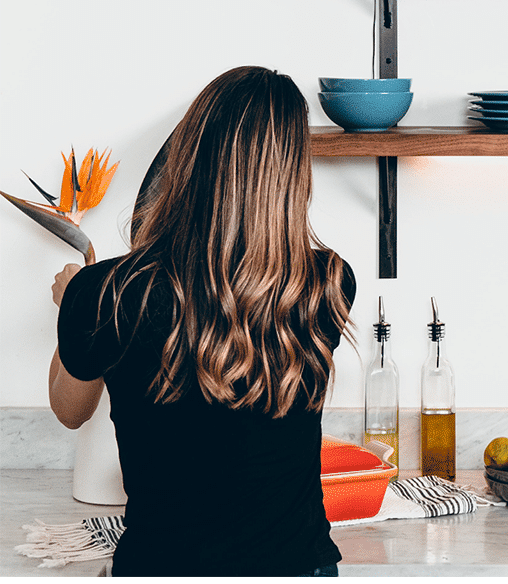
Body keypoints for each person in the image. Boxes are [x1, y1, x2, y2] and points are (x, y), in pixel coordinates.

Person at [49, 66, 356, 577]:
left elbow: (69, 409)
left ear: (187, 153)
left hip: (163, 565)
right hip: (297, 567)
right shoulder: (326, 284)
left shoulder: (106, 291)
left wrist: (73, 307)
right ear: (293, 174)